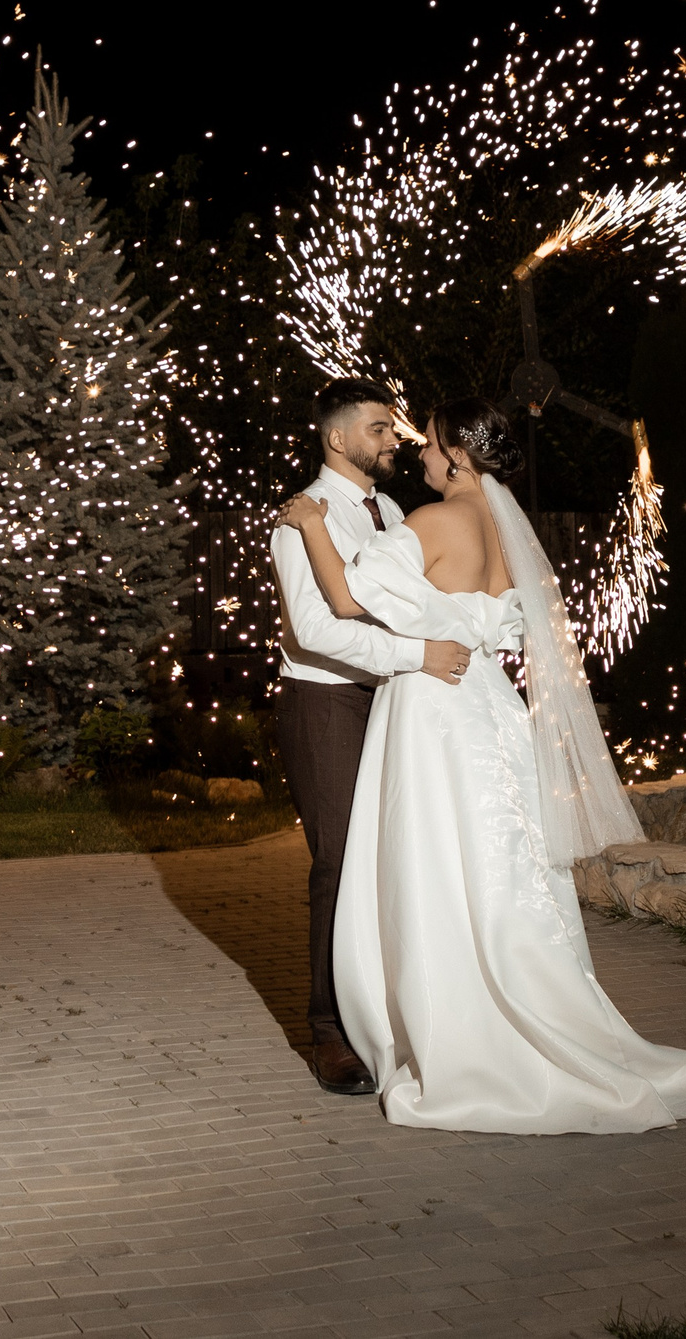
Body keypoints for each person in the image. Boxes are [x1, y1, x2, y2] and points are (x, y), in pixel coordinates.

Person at [275, 397, 686, 1134]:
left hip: (432, 704)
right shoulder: (509, 529)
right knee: (499, 860)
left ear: (457, 455)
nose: (415, 449)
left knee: (431, 862)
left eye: (428, 441)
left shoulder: (429, 518)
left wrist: (315, 527)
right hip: (488, 704)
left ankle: (453, 1018)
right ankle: (524, 997)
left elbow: (348, 598)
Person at [268, 378, 474, 1096]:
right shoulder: (300, 518)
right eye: (379, 429)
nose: (394, 440)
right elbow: (313, 631)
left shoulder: (392, 511)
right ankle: (329, 1033)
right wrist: (416, 655)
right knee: (337, 863)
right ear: (337, 438)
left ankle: (385, 1013)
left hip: (394, 700)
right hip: (325, 702)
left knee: (389, 859)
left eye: (393, 429)